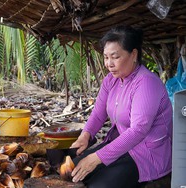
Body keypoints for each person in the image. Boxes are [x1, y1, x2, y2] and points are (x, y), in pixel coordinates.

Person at [70, 25, 172, 188]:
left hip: (147, 153)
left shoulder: (146, 83)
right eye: (105, 57)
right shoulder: (111, 80)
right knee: (72, 171)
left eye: (115, 57)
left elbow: (138, 130)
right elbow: (98, 114)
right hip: (121, 145)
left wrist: (97, 158)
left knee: (98, 185)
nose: (108, 64)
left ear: (133, 54)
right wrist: (85, 135)